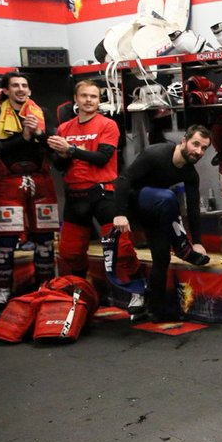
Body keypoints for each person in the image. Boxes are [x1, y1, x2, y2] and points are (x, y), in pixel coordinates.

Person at [47, 80, 143, 314]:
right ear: (76, 99)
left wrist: (70, 150)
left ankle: (137, 292)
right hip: (75, 196)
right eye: (84, 96)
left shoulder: (107, 124)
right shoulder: (64, 129)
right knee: (69, 251)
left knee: (122, 248)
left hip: (102, 194)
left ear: (98, 100)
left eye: (93, 96)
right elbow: (60, 165)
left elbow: (102, 158)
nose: (89, 100)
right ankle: (81, 291)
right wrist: (60, 153)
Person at [110, 125, 212, 321]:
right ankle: (182, 246)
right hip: (133, 203)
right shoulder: (155, 154)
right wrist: (119, 214)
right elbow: (123, 180)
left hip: (156, 210)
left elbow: (193, 209)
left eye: (204, 148)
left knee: (162, 257)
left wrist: (198, 242)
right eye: (195, 144)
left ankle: (155, 309)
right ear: (184, 141)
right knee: (168, 196)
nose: (198, 151)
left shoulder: (191, 174)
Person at [0, 71, 59, 314]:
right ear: (6, 90)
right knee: (5, 241)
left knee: (45, 239)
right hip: (9, 178)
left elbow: (52, 143)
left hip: (41, 179)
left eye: (24, 85)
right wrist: (25, 137)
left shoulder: (42, 113)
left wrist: (38, 134)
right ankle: (3, 290)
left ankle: (45, 287)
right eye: (15, 85)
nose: (20, 89)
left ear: (29, 90)